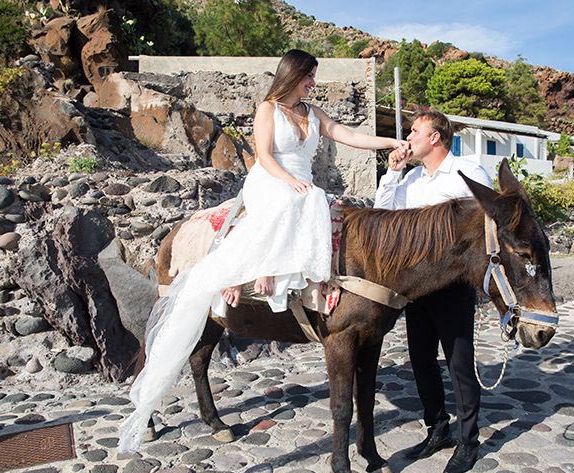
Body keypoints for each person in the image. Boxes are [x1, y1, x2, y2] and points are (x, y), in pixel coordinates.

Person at [119, 49, 407, 451]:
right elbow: (265, 156)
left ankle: (309, 285)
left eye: (314, 77)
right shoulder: (268, 109)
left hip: (302, 186)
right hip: (273, 181)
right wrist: (289, 182)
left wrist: (391, 141)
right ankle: (253, 276)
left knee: (323, 205)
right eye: (309, 76)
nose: (313, 83)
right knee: (303, 202)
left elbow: (348, 135)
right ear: (292, 75)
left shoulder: (313, 112)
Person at [374, 110, 493, 473]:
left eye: (414, 131)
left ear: (436, 137)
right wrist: (393, 172)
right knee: (421, 360)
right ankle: (437, 428)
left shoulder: (468, 172)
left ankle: (469, 440)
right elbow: (382, 215)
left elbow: (488, 219)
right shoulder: (409, 181)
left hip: (453, 286)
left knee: (459, 363)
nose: (407, 138)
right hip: (417, 287)